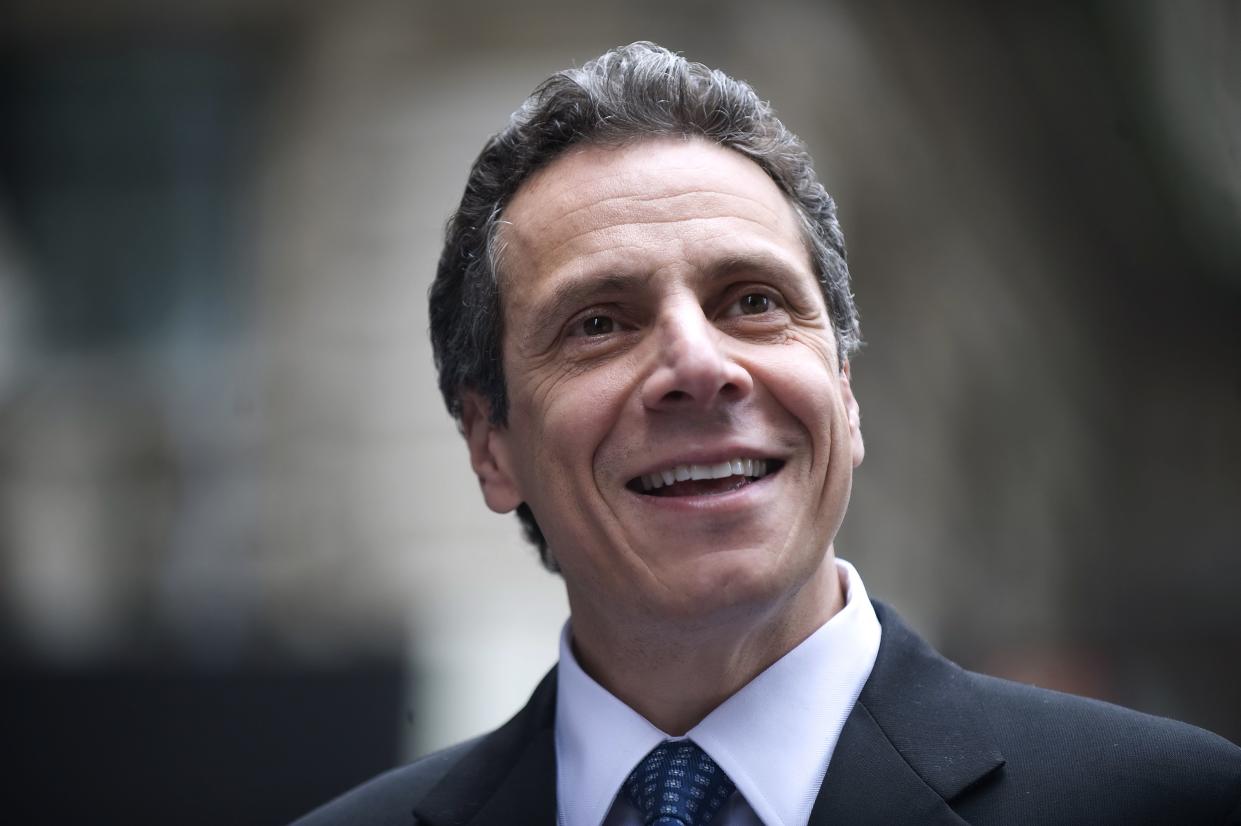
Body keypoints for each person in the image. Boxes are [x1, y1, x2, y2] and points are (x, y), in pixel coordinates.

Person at [294, 42, 1241, 826]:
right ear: (490, 444)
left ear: (844, 391)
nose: (699, 366)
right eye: (598, 323)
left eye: (752, 302)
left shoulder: (1168, 804)